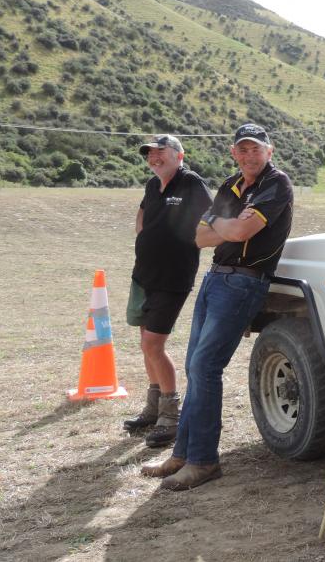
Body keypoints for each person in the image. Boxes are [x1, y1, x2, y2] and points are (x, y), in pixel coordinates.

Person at [140, 123, 293, 491]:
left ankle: (204, 461)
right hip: (215, 278)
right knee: (196, 366)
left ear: (268, 152)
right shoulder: (230, 185)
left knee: (206, 366)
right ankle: (183, 453)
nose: (249, 155)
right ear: (233, 153)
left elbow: (238, 234)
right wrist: (230, 225)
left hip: (244, 281)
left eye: (256, 149)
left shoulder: (277, 183)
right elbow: (199, 236)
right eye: (242, 149)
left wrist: (223, 226)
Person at [123, 134, 212, 448]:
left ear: (179, 155)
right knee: (145, 343)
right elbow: (143, 212)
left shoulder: (192, 184)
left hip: (173, 278)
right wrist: (143, 234)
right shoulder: (152, 185)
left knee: (154, 344)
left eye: (161, 152)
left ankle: (171, 415)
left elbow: (210, 220)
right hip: (144, 275)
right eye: (150, 154)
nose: (154, 158)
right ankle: (153, 406)